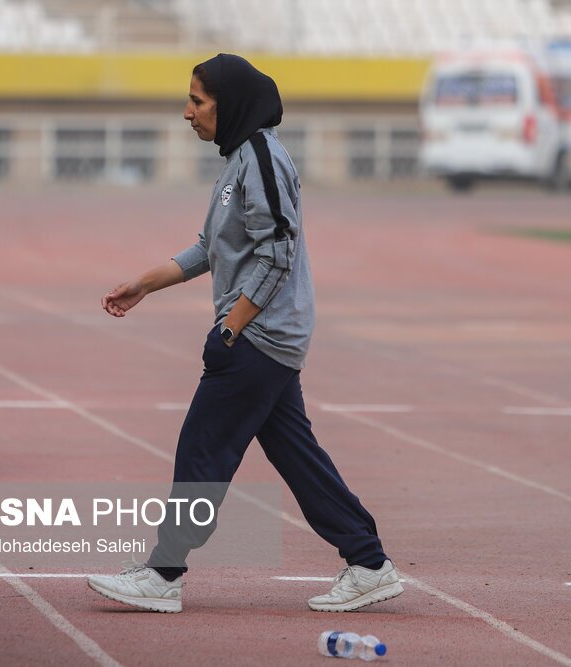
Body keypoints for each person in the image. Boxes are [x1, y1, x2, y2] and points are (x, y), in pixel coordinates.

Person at [86, 54, 403, 614]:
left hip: (258, 336)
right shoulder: (239, 159)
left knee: (202, 448)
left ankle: (163, 573)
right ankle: (369, 561)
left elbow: (277, 253)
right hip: (263, 337)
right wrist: (144, 283)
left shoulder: (259, 157)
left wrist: (231, 329)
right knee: (297, 455)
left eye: (197, 101)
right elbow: (212, 248)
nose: (187, 112)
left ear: (227, 104)